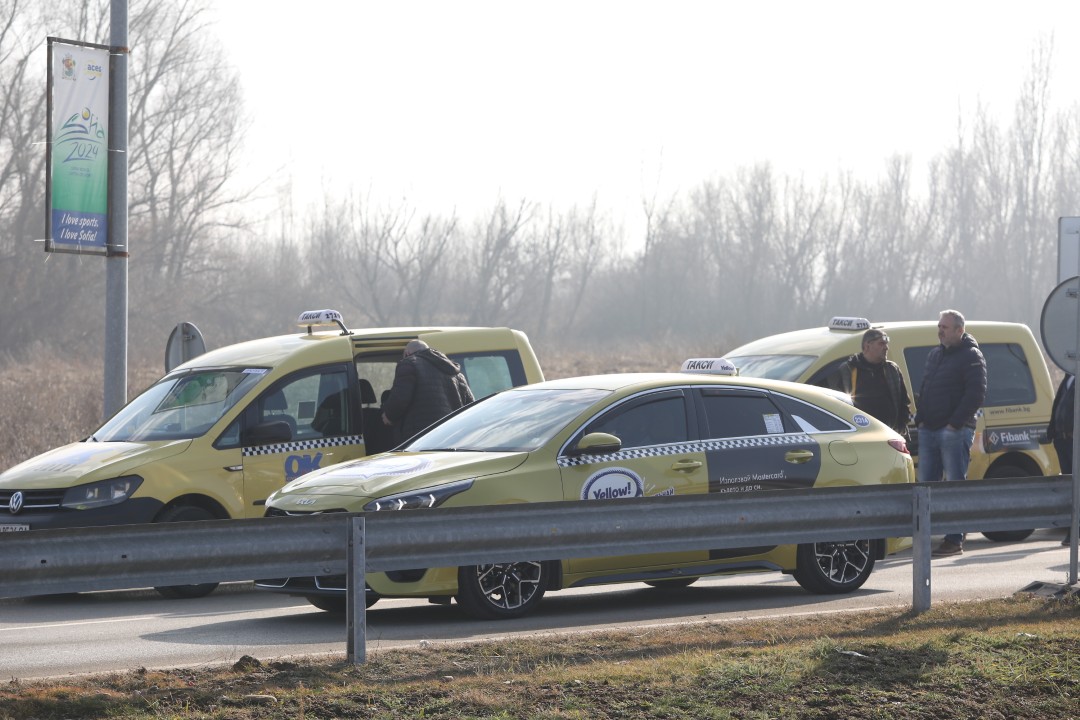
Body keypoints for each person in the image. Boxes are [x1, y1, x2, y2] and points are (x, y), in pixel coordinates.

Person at [914, 309, 987, 558]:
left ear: (959, 330)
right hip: (929, 430)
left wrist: (954, 424)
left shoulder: (971, 356)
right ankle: (925, 536)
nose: (940, 330)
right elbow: (924, 388)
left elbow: (976, 393)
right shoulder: (935, 355)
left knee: (954, 485)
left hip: (953, 431)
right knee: (926, 487)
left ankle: (954, 539)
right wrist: (920, 420)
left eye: (945, 327)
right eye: (939, 326)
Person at [381, 340, 475, 441]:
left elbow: (400, 398)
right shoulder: (456, 372)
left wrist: (389, 415)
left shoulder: (409, 363)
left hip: (420, 436)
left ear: (407, 353)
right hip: (451, 436)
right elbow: (471, 406)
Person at [827, 328, 911, 438]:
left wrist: (900, 429)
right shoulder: (848, 370)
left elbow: (904, 403)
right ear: (867, 346)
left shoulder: (892, 370)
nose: (886, 348)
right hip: (859, 437)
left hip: (890, 436)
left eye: (886, 344)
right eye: (881, 343)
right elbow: (837, 405)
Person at [1047, 372, 1075, 545]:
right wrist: (1052, 431)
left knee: (1077, 488)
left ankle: (1074, 532)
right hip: (1063, 440)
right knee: (1070, 487)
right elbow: (1058, 405)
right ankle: (1073, 530)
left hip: (1075, 441)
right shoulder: (1069, 376)